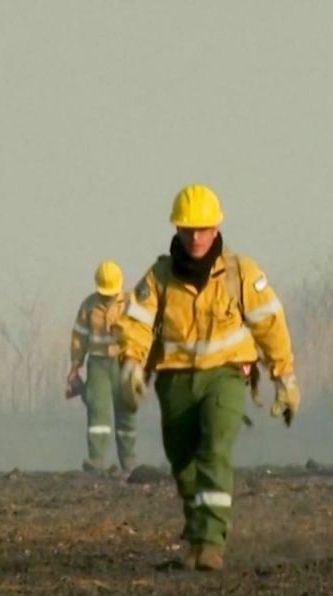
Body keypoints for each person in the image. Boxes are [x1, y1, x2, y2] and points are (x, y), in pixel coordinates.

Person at [115, 184, 299, 571]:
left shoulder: (241, 274)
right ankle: (196, 531)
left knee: (215, 449)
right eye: (187, 229)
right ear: (177, 230)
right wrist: (131, 363)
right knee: (183, 464)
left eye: (202, 229)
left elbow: (270, 324)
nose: (195, 237)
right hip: (175, 382)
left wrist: (285, 378)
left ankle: (211, 544)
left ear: (216, 229)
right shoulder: (159, 278)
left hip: (226, 377)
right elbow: (136, 323)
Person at [68, 260, 136, 474]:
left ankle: (128, 462)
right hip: (98, 364)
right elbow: (79, 336)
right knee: (98, 412)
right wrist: (75, 365)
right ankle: (96, 460)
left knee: (126, 412)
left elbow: (144, 333)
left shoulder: (131, 304)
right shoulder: (88, 306)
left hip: (125, 363)